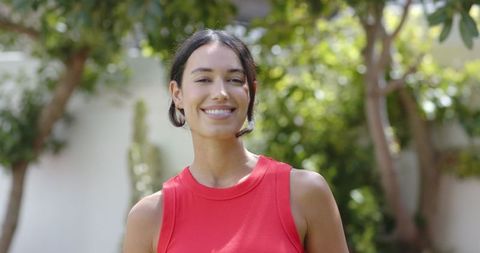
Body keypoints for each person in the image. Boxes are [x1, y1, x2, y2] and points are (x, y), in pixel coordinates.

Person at [123, 29, 349, 253]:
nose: (220, 92)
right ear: (177, 94)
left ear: (250, 91)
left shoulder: (305, 193)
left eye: (234, 79)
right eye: (203, 79)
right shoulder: (149, 217)